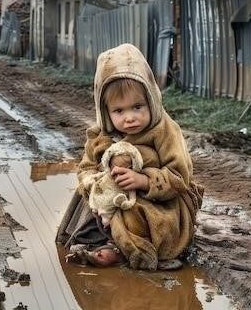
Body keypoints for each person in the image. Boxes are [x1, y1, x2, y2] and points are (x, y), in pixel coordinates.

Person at [57, 43, 204, 270]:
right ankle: (105, 243)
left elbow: (180, 177)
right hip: (110, 205)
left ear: (151, 99)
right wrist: (95, 186)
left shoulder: (165, 130)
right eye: (119, 111)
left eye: (138, 107)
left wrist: (143, 181)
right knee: (86, 208)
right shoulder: (101, 136)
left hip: (159, 203)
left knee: (139, 215)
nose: (130, 118)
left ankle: (121, 250)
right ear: (105, 112)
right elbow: (85, 169)